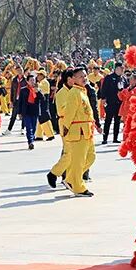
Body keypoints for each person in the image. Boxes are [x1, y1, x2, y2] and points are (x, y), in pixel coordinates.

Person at [47, 66, 95, 197]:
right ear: (72, 79)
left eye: (85, 76)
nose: (84, 78)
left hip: (86, 130)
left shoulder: (82, 91)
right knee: (75, 158)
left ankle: (71, 178)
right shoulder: (72, 93)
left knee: (90, 157)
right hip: (76, 130)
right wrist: (66, 128)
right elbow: (68, 113)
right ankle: (76, 184)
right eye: (80, 77)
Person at [100, 63, 126, 144]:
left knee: (117, 121)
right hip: (110, 102)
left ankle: (115, 138)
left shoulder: (123, 78)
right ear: (116, 69)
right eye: (121, 69)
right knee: (108, 120)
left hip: (119, 103)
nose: (122, 70)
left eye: (123, 69)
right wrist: (103, 98)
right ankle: (105, 138)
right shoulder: (109, 77)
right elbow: (104, 89)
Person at [16, 73, 42, 149]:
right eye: (31, 80)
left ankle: (32, 139)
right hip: (26, 111)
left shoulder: (37, 89)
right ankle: (30, 142)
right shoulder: (23, 90)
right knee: (28, 127)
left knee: (33, 127)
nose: (32, 82)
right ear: (27, 81)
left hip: (34, 111)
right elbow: (20, 102)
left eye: (33, 80)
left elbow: (42, 98)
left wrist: (37, 92)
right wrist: (19, 112)